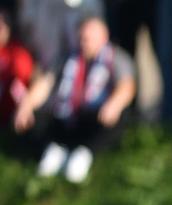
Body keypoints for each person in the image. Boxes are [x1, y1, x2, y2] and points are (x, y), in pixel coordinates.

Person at [12, 15, 135, 184]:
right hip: (65, 115)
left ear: (103, 36)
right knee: (31, 117)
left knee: (119, 116)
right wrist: (26, 105)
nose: (84, 42)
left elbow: (127, 86)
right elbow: (45, 84)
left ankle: (84, 153)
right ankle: (53, 150)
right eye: (81, 38)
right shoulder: (67, 58)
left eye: (89, 38)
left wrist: (114, 104)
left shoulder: (116, 58)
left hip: (94, 117)